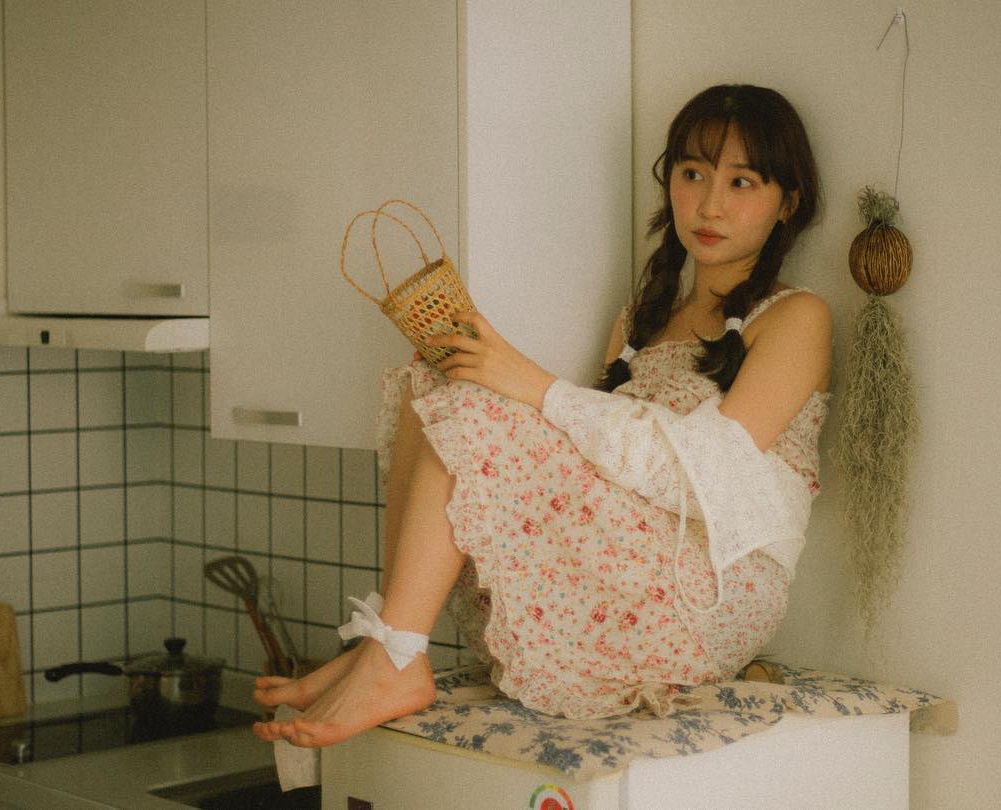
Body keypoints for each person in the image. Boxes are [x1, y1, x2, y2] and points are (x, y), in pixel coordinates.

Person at [252, 84, 831, 749]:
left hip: (710, 595)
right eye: (692, 173)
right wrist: (503, 381)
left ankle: (395, 657)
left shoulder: (797, 317)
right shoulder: (641, 322)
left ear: (788, 202)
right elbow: (601, 467)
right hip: (629, 565)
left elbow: (700, 476)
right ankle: (390, 642)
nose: (709, 204)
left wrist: (530, 384)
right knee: (431, 380)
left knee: (468, 403)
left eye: (741, 182)